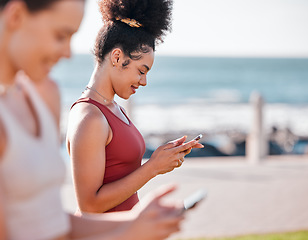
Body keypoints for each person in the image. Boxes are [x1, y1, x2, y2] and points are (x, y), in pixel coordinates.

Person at [0, 0, 186, 239]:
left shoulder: (45, 96)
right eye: (60, 35)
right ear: (15, 16)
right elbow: (86, 207)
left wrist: (138, 221)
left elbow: (51, 221)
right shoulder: (88, 115)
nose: (68, 53)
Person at [66, 0, 204, 214]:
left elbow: (121, 175)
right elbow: (89, 205)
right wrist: (153, 167)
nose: (144, 81)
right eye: (141, 71)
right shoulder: (89, 117)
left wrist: (164, 155)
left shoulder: (114, 108)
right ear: (117, 57)